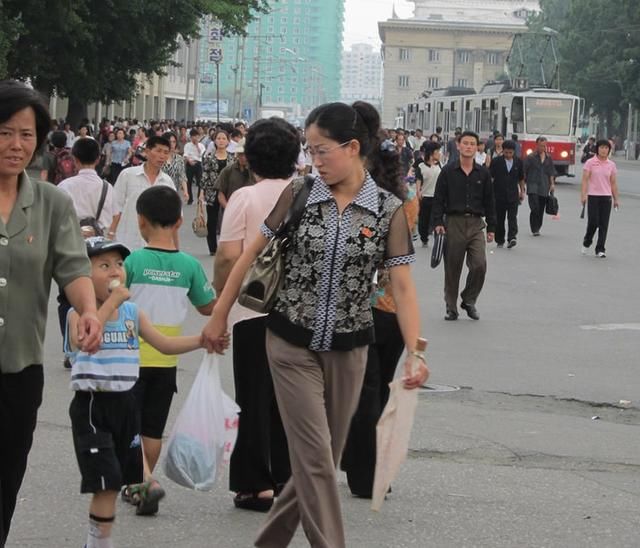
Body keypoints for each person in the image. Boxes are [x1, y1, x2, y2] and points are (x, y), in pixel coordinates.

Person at [202, 101, 428, 548]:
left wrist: (416, 352)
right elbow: (248, 255)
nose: (314, 161)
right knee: (318, 461)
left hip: (350, 348)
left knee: (318, 460)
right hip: (289, 342)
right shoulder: (300, 193)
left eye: (322, 151)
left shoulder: (387, 210)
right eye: (310, 151)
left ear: (353, 148)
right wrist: (220, 315)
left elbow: (401, 287)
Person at [0, 79, 102, 547]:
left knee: (4, 487)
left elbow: (72, 266)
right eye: (4, 132)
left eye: (25, 134)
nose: (15, 145)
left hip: (17, 374)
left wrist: (87, 310)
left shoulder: (52, 203)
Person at [66, 237, 206, 546]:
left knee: (116, 483)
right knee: (106, 482)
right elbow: (85, 339)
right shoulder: (78, 313)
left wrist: (203, 340)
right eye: (103, 265)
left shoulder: (132, 313)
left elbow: (164, 344)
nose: (115, 270)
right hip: (93, 406)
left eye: (118, 264)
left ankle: (98, 538)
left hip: (126, 404)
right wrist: (110, 304)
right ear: (83, 278)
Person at [214, 117, 296, 513]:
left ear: (249, 158)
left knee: (254, 397)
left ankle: (255, 484)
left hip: (252, 310)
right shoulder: (312, 194)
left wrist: (219, 306)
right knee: (292, 400)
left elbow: (229, 256)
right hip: (300, 313)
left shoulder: (245, 198)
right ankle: (288, 478)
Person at [120, 185, 215, 516]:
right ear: (178, 222)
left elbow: (113, 297)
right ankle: (142, 480)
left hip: (129, 357)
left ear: (141, 221)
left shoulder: (131, 260)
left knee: (126, 426)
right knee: (151, 427)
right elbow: (207, 308)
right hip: (167, 358)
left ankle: (144, 483)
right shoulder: (189, 266)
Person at [341, 139, 422, 498]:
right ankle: (375, 471)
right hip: (392, 309)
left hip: (358, 308)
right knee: (380, 390)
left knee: (363, 392)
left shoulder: (358, 201)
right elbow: (407, 251)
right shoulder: (406, 204)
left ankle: (360, 468)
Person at [432, 130, 496, 321]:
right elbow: (438, 199)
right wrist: (437, 223)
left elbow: (490, 201)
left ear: (477, 148)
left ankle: (469, 299)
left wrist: (492, 228)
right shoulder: (448, 171)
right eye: (465, 143)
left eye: (472, 144)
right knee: (452, 268)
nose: (469, 146)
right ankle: (451, 307)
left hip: (476, 223)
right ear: (458, 145)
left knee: (479, 265)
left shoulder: (483, 173)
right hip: (454, 223)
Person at [109, 135, 174, 252]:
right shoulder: (128, 175)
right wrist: (111, 233)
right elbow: (116, 207)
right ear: (147, 152)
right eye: (158, 151)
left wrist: (174, 248)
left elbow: (174, 217)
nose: (162, 156)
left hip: (155, 246)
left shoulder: (167, 182)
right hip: (126, 241)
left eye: (166, 152)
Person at [580, 139, 620, 258]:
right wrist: (583, 195)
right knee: (593, 222)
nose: (604, 150)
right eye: (601, 147)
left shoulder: (611, 165)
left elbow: (613, 183)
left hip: (606, 197)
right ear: (597, 149)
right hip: (593, 196)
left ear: (609, 150)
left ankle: (600, 249)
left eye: (606, 148)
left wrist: (616, 199)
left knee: (603, 224)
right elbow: (585, 180)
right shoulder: (590, 163)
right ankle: (587, 241)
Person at [200, 129, 233, 255]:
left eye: (224, 138)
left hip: (228, 193)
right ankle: (213, 248)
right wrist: (201, 193)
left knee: (228, 220)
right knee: (212, 220)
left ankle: (227, 247)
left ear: (228, 141)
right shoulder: (209, 157)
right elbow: (205, 175)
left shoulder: (232, 157)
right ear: (214, 140)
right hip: (212, 191)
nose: (221, 141)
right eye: (218, 138)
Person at [489, 140, 525, 249]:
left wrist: (522, 191)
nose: (508, 155)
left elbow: (521, 178)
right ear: (503, 151)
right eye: (506, 153)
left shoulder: (518, 162)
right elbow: (490, 178)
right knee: (499, 218)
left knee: (512, 217)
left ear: (514, 152)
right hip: (498, 195)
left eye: (510, 153)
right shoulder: (496, 162)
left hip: (513, 195)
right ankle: (500, 239)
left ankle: (512, 237)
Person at [523, 136, 555, 236]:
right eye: (541, 146)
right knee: (535, 207)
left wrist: (552, 184)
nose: (543, 148)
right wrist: (522, 185)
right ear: (537, 145)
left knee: (541, 208)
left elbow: (551, 172)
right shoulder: (530, 157)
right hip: (532, 185)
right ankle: (534, 228)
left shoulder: (549, 158)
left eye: (545, 146)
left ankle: (538, 227)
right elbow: (524, 172)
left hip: (544, 186)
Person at [415, 141, 441, 247]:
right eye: (437, 151)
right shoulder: (421, 166)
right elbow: (418, 180)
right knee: (424, 219)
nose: (439, 153)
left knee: (437, 218)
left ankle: (437, 238)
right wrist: (418, 191)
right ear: (431, 153)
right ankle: (424, 238)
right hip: (425, 197)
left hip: (437, 197)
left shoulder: (439, 165)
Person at [217, 140, 255, 211]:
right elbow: (220, 194)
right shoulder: (228, 170)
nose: (243, 157)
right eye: (240, 154)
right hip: (231, 210)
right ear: (237, 154)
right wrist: (228, 208)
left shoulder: (257, 171)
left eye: (246, 154)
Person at [161, 131, 189, 201]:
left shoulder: (179, 159)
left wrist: (185, 191)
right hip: (159, 191)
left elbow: (182, 176)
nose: (172, 144)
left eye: (174, 142)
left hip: (174, 192)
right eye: (170, 142)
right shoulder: (159, 158)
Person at [183, 128, 205, 204]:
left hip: (198, 164)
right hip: (190, 164)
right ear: (191, 137)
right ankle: (190, 199)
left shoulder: (201, 145)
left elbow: (201, 154)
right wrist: (189, 161)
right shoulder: (187, 145)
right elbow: (185, 155)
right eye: (193, 136)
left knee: (200, 182)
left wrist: (197, 145)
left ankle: (199, 198)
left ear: (198, 136)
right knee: (188, 182)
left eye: (196, 136)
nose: (194, 138)